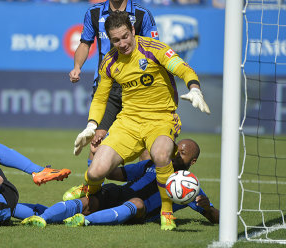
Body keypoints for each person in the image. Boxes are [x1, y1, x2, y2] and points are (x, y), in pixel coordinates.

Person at [73, 11, 210, 230]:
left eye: (125, 36)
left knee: (161, 154)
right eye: (116, 40)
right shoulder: (110, 62)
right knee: (96, 171)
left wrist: (194, 87)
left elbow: (182, 68)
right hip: (129, 121)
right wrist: (91, 125)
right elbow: (100, 97)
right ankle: (90, 197)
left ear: (133, 31)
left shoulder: (154, 49)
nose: (122, 43)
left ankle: (167, 211)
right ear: (110, 39)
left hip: (161, 118)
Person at [67, 0, 159, 199]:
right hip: (106, 86)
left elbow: (155, 49)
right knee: (96, 141)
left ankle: (146, 195)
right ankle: (90, 195)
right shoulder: (93, 13)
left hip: (136, 90)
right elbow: (85, 43)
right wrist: (77, 67)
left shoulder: (142, 14)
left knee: (145, 146)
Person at [21, 139, 219, 228]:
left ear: (192, 162)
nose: (175, 154)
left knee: (137, 203)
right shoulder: (151, 164)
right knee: (92, 200)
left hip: (140, 212)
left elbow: (216, 218)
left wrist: (208, 209)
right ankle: (43, 217)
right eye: (176, 150)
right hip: (119, 194)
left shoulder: (190, 187)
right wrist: (97, 157)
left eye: (182, 153)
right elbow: (116, 174)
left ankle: (85, 221)